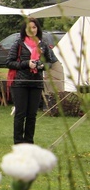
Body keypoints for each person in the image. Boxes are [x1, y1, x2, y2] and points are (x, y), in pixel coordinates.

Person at [7, 17, 57, 145]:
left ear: (37, 29)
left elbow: (50, 62)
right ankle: (18, 142)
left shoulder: (43, 44)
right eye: (29, 27)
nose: (32, 30)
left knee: (32, 115)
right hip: (20, 83)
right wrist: (26, 63)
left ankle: (29, 142)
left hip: (36, 83)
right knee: (20, 114)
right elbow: (9, 62)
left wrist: (41, 65)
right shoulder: (18, 43)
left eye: (34, 27)